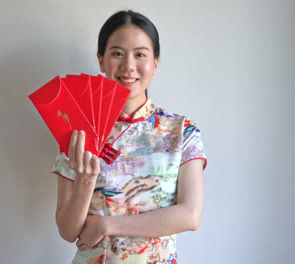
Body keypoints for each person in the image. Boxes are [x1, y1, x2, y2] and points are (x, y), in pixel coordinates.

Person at [53, 10, 207, 264]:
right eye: (117, 53)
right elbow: (67, 231)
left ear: (155, 63)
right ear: (101, 61)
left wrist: (106, 225)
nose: (128, 66)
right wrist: (86, 180)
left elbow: (190, 216)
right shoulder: (77, 131)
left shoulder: (182, 132)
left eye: (140, 54)